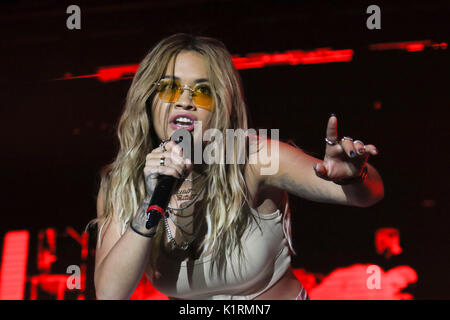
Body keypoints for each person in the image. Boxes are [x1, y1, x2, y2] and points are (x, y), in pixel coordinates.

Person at [92, 33, 384, 300]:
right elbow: (109, 294)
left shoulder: (254, 157)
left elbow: (369, 194)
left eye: (202, 91)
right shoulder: (124, 183)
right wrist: (150, 201)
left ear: (222, 105)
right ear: (148, 99)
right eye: (169, 88)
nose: (185, 101)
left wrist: (352, 176)